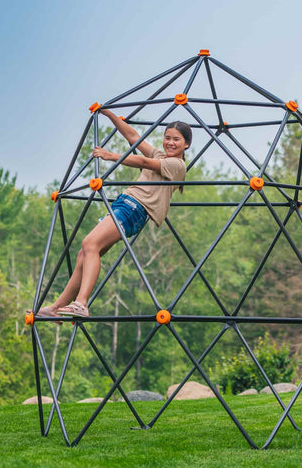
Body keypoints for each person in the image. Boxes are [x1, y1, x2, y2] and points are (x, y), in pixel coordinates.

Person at [33, 110, 191, 320]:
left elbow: (144, 163)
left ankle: (81, 303)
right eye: (167, 138)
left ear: (186, 144)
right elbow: (133, 137)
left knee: (90, 244)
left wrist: (112, 156)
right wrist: (110, 115)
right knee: (85, 252)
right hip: (126, 205)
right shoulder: (159, 154)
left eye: (176, 140)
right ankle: (56, 308)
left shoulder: (177, 165)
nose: (170, 143)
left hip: (134, 208)